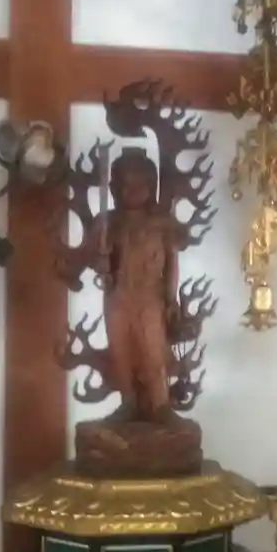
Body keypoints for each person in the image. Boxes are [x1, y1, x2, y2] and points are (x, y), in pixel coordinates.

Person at [93, 149, 183, 423]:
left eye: (141, 184)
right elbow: (95, 260)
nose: (133, 191)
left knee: (153, 350)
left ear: (152, 187)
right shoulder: (108, 222)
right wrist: (101, 263)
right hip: (117, 296)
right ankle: (128, 401)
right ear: (113, 188)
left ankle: (160, 404)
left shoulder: (161, 223)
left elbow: (172, 263)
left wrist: (171, 299)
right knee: (120, 350)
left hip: (150, 296)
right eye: (126, 184)